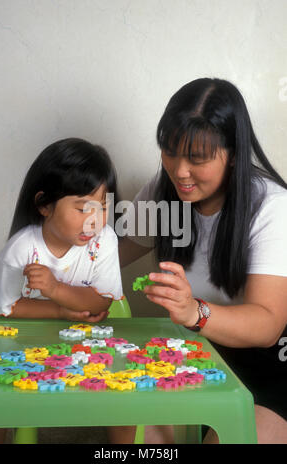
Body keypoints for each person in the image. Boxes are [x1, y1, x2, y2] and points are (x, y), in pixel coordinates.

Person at [117, 78, 287, 444]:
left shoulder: (271, 207)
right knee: (134, 435)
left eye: (197, 158)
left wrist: (194, 311)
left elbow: (268, 325)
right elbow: (107, 257)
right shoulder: (165, 193)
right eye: (169, 151)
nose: (179, 171)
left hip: (273, 369)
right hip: (200, 357)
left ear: (235, 154)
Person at [0, 137, 124, 443]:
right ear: (44, 205)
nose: (93, 220)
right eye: (81, 208)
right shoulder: (20, 250)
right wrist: (61, 310)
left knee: (125, 397)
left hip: (88, 345)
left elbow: (101, 301)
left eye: (101, 207)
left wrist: (55, 288)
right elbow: (7, 309)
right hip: (21, 343)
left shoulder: (104, 241)